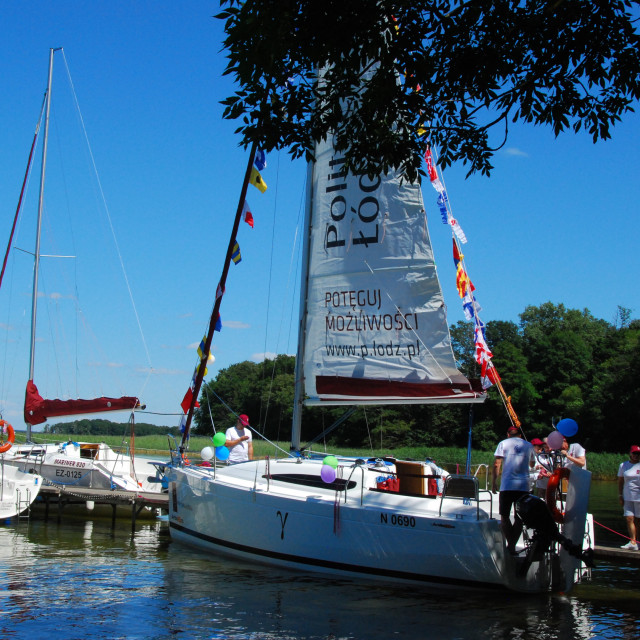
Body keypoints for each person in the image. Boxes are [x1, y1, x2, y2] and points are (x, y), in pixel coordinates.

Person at [491, 426, 535, 555]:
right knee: (519, 518)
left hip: (507, 484)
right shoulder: (529, 445)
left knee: (504, 516)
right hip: (523, 486)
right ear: (520, 435)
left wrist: (494, 482)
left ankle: (510, 545)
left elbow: (496, 464)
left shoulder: (503, 443)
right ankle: (512, 545)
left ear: (508, 434)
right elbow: (532, 464)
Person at [617, 445, 640, 551]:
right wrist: (620, 495)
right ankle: (633, 541)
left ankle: (638, 541)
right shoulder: (624, 465)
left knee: (638, 520)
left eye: (638, 454)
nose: (636, 455)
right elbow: (620, 481)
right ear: (630, 453)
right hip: (627, 496)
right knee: (629, 518)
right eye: (634, 453)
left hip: (639, 497)